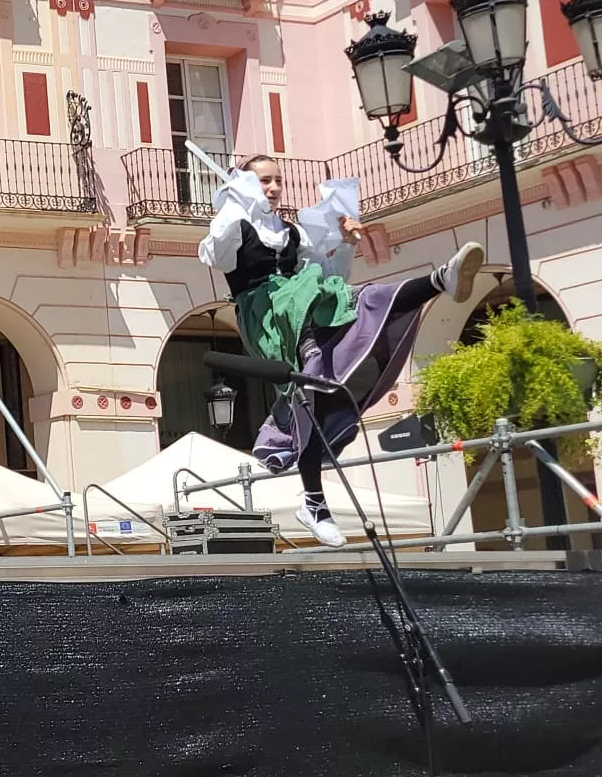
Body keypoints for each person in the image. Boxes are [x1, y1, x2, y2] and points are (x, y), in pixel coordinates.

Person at [198, 154, 483, 546]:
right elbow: (213, 255)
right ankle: (314, 367)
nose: (275, 188)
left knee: (360, 298)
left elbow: (332, 278)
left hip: (300, 308)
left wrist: (346, 244)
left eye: (277, 180)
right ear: (245, 183)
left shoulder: (291, 232)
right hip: (266, 315)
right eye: (264, 181)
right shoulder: (236, 225)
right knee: (308, 300)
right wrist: (235, 202)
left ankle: (439, 280)